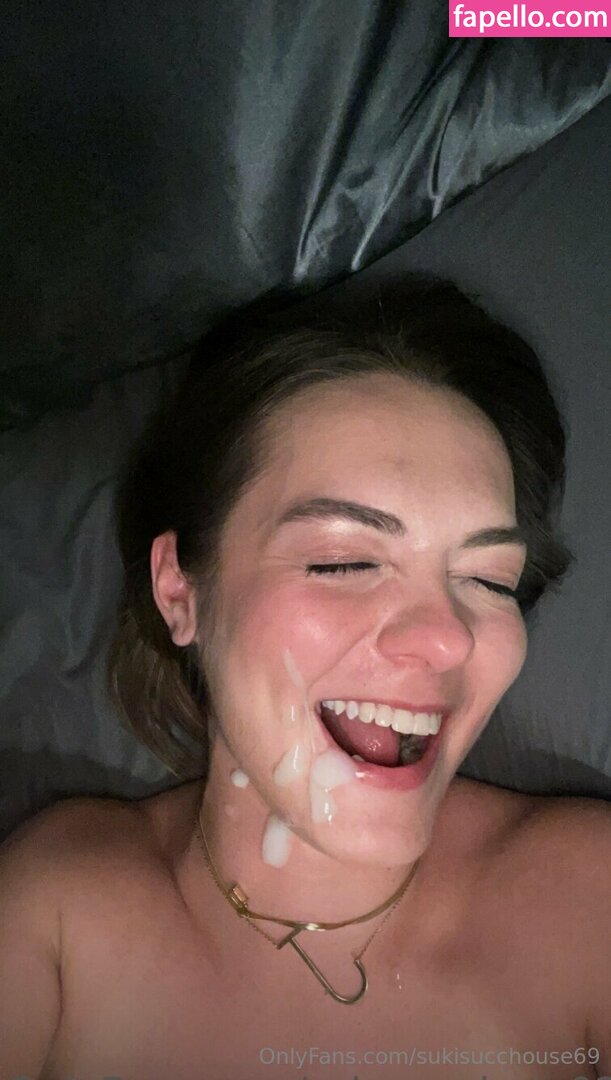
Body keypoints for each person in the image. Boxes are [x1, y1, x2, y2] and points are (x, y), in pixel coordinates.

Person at [1, 280, 609, 1080]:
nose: (446, 637)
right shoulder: (57, 912)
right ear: (180, 592)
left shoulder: (587, 902)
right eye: (342, 561)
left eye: (490, 580)